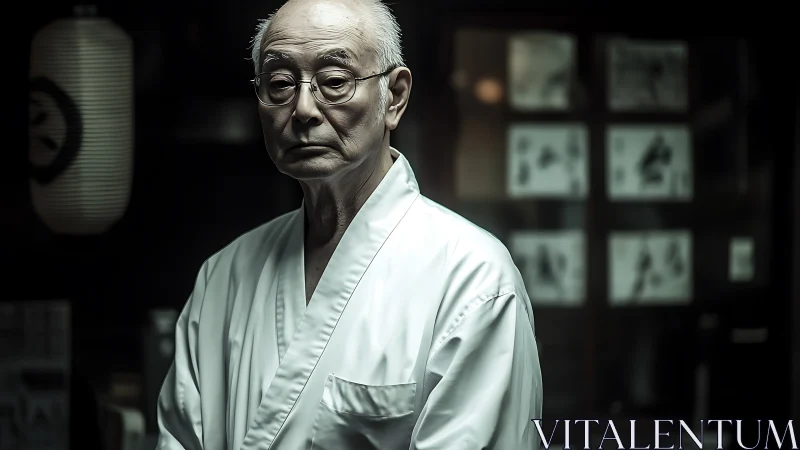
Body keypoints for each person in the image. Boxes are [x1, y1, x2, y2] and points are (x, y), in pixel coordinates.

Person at [155, 0, 543, 448]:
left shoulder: (472, 278)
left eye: (335, 82)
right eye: (279, 84)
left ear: (394, 96)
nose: (303, 109)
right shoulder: (223, 275)